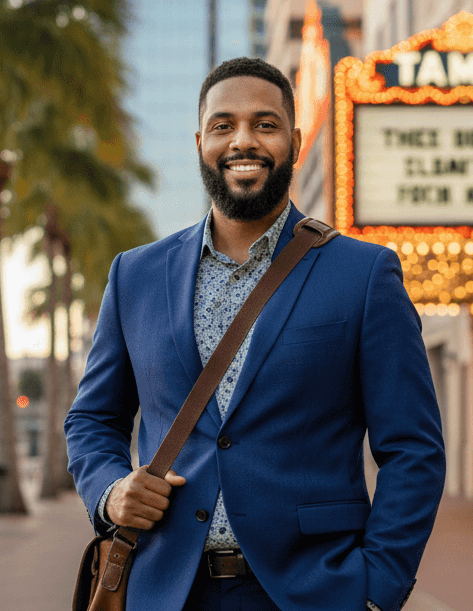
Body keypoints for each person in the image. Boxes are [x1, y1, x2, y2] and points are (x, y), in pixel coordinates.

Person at [65, 57, 445, 611]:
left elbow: (412, 448)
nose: (243, 141)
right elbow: (93, 418)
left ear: (292, 140)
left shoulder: (365, 276)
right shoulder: (135, 276)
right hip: (165, 590)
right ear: (201, 142)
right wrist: (109, 492)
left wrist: (377, 589)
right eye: (224, 126)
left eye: (264, 125)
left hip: (313, 592)